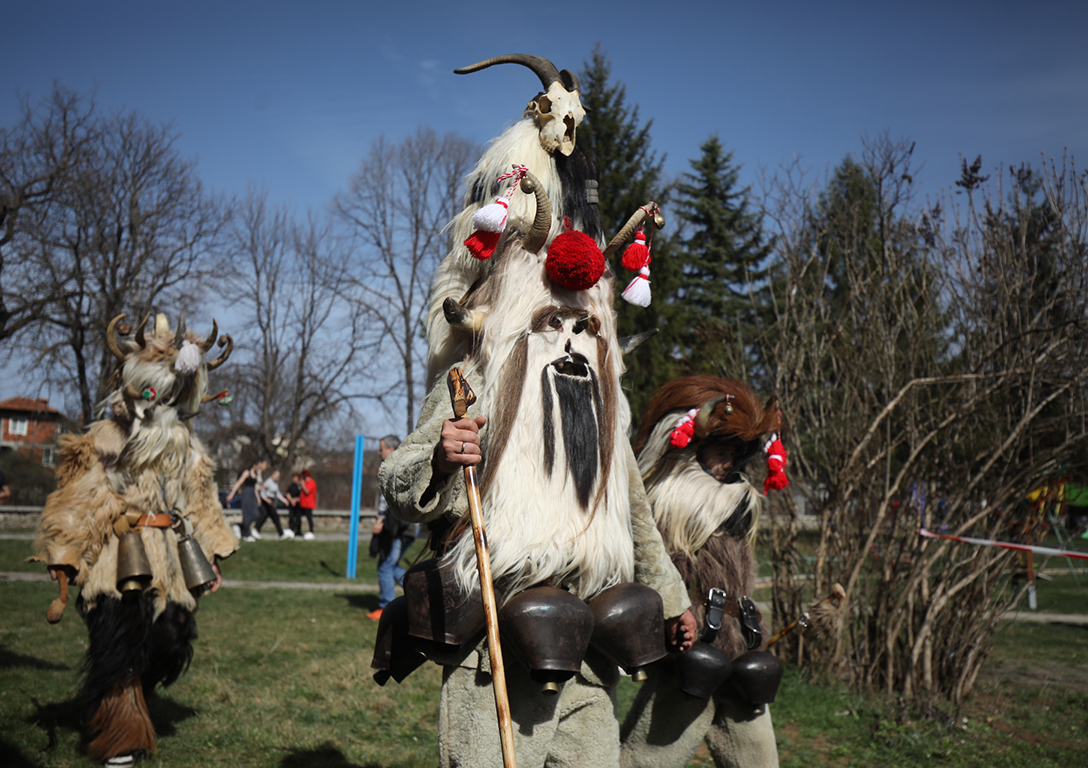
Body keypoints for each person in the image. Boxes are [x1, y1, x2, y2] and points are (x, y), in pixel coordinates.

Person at [33, 311, 237, 767]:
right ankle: (119, 738)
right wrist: (66, 555)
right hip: (114, 563)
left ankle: (132, 705)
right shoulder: (108, 436)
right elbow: (80, 499)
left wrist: (213, 552)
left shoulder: (185, 444)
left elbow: (200, 501)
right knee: (120, 646)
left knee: (170, 641)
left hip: (173, 564)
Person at [620, 376, 781, 768]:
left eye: (737, 452)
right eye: (722, 450)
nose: (729, 463)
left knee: (759, 759)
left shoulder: (737, 504)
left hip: (743, 652)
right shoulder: (662, 505)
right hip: (691, 651)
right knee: (648, 758)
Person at [367, 435, 414, 620]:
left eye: (382, 448)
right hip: (404, 527)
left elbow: (386, 500)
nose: (379, 452)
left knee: (385, 567)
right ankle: (418, 594)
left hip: (398, 528)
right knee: (390, 565)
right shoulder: (401, 467)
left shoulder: (392, 469)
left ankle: (386, 608)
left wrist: (379, 521)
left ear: (391, 450)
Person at [226, 458, 267, 542]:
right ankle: (246, 533)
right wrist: (232, 494)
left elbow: (256, 488)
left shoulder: (256, 474)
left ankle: (239, 526)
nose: (259, 468)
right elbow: (239, 483)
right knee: (247, 514)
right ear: (254, 465)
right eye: (258, 466)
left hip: (253, 494)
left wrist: (258, 498)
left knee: (255, 514)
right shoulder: (247, 472)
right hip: (247, 493)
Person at [256, 469, 289, 539]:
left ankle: (256, 529)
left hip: (271, 500)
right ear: (272, 475)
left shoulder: (275, 483)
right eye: (277, 476)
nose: (278, 478)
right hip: (266, 500)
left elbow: (277, 493)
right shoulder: (268, 482)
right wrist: (267, 500)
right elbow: (262, 492)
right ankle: (281, 534)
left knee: (264, 515)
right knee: (275, 516)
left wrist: (284, 500)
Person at [298, 469, 317, 540]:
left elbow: (307, 491)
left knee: (309, 518)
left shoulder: (311, 482)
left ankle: (311, 531)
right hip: (302, 503)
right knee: (298, 517)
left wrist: (303, 484)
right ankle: (298, 531)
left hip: (308, 504)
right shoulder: (305, 482)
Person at [285, 472, 305, 537]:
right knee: (291, 517)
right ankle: (291, 530)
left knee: (298, 518)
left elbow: (302, 495)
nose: (294, 479)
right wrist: (291, 500)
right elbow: (288, 494)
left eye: (295, 478)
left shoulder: (300, 486)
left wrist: (296, 500)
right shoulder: (291, 486)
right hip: (292, 504)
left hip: (298, 505)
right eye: (293, 478)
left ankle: (298, 531)